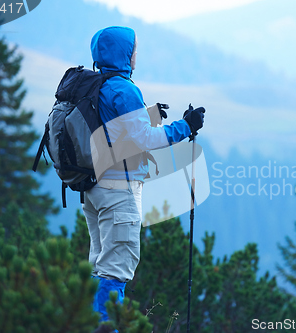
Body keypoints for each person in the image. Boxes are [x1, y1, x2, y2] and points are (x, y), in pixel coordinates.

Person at [84, 26, 205, 330]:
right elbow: (145, 140)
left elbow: (112, 133)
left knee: (99, 267)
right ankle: (105, 327)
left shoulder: (94, 85)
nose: (136, 54)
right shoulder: (124, 89)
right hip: (119, 191)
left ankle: (87, 322)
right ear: (124, 54)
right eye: (133, 49)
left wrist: (149, 115)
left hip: (94, 190)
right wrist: (185, 126)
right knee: (116, 270)